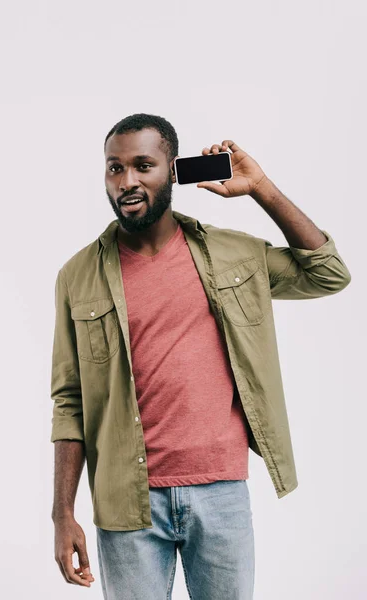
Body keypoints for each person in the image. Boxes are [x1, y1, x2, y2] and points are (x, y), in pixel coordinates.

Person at [50, 113, 351, 599]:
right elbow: (69, 401)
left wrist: (261, 189)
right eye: (114, 168)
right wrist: (62, 513)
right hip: (125, 502)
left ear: (173, 170)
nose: (127, 181)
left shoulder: (234, 256)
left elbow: (328, 273)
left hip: (221, 493)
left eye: (143, 165)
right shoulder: (77, 276)